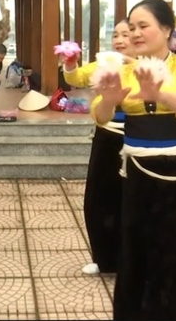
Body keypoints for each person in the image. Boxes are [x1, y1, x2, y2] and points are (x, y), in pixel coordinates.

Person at [93, 0, 176, 320]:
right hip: (138, 170)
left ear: (166, 29)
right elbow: (100, 117)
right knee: (136, 245)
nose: (135, 33)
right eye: (132, 27)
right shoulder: (124, 70)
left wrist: (160, 94)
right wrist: (110, 99)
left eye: (143, 26)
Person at [61, 19, 136, 275]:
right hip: (106, 136)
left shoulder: (148, 66)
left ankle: (131, 260)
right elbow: (77, 77)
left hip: (137, 140)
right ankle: (105, 258)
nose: (119, 40)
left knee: (131, 202)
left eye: (125, 35)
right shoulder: (105, 63)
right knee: (100, 199)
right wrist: (70, 64)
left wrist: (131, 64)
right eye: (116, 35)